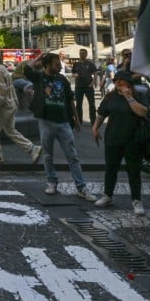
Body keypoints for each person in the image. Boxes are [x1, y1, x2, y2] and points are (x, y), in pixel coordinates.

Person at [25, 53, 95, 199]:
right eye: (56, 64)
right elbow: (26, 70)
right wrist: (38, 58)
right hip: (45, 121)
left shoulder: (62, 79)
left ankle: (81, 187)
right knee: (48, 155)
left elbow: (70, 99)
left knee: (72, 156)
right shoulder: (39, 77)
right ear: (47, 65)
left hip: (63, 122)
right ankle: (52, 182)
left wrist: (76, 119)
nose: (59, 66)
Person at [92, 70, 150, 215]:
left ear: (129, 82)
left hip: (133, 139)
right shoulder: (110, 96)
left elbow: (142, 112)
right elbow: (101, 113)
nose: (118, 82)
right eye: (116, 80)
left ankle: (136, 200)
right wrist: (95, 128)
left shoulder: (139, 95)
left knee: (133, 170)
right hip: (113, 137)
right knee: (111, 168)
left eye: (121, 80)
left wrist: (128, 96)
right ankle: (108, 195)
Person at [0, 49, 41, 164]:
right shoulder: (2, 68)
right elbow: (3, 88)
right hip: (12, 103)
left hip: (5, 106)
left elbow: (1, 90)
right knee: (11, 131)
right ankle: (32, 149)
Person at [71, 49, 98, 124]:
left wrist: (93, 83)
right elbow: (73, 73)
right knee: (78, 104)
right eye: (80, 53)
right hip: (79, 86)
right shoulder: (76, 64)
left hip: (88, 86)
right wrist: (75, 75)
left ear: (86, 54)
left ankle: (93, 120)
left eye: (83, 53)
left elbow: (95, 73)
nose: (81, 55)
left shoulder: (90, 64)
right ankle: (79, 120)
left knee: (92, 104)